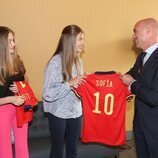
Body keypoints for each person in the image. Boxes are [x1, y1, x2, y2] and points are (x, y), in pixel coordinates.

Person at [42, 25, 85, 158]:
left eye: (83, 39)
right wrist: (70, 83)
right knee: (57, 151)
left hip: (76, 112)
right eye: (80, 39)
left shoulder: (78, 60)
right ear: (70, 41)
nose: (83, 42)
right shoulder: (56, 62)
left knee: (73, 151)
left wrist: (85, 80)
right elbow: (47, 93)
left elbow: (78, 87)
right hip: (58, 113)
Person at [120, 18, 158, 158]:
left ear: (148, 31)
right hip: (140, 124)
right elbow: (132, 74)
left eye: (135, 31)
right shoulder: (142, 56)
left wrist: (132, 83)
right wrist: (112, 79)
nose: (132, 36)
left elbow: (154, 97)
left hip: (155, 127)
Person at [0, 26, 29, 158]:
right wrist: (11, 99)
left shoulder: (17, 60)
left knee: (22, 147)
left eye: (13, 40)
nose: (14, 44)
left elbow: (26, 81)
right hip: (2, 111)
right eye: (10, 41)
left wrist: (20, 86)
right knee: (4, 149)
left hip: (20, 107)